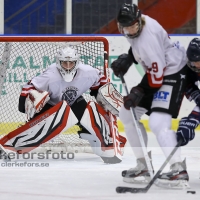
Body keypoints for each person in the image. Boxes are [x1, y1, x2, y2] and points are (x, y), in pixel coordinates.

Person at [0, 46, 126, 164]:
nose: (67, 66)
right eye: (64, 63)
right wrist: (24, 105)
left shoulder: (88, 72)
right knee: (49, 122)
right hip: (51, 106)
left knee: (93, 110)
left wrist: (106, 95)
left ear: (77, 62)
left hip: (75, 102)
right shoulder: (50, 75)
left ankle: (110, 145)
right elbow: (29, 87)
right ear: (58, 62)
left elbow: (101, 82)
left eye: (71, 62)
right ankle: (8, 146)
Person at [111, 3, 189, 188]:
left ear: (139, 21)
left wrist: (139, 91)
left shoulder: (148, 37)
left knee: (157, 122)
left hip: (173, 73)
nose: (130, 30)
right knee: (126, 114)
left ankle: (178, 169)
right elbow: (139, 50)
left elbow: (156, 79)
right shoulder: (137, 26)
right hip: (158, 72)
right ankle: (143, 164)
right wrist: (130, 58)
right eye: (126, 27)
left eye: (133, 26)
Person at [176, 38, 200, 147]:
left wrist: (192, 120)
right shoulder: (188, 66)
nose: (197, 65)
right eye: (194, 62)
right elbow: (186, 83)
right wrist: (195, 94)